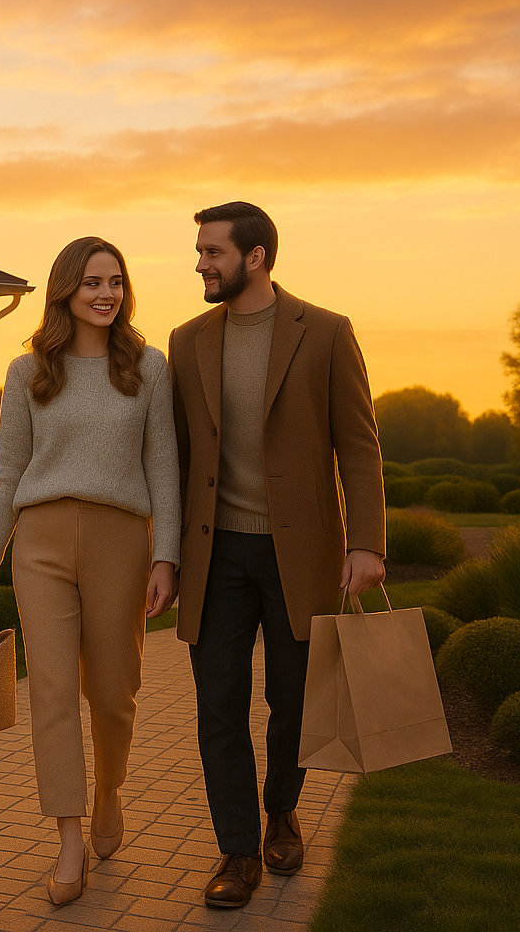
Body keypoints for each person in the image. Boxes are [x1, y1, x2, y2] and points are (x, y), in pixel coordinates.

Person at [168, 201, 385, 909]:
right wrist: (165, 554)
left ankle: (282, 812)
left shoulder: (325, 332)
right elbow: (175, 458)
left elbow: (359, 447)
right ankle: (237, 851)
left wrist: (365, 543)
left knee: (292, 700)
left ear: (255, 257)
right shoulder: (186, 340)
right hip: (215, 554)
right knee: (219, 707)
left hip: (301, 554)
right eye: (201, 251)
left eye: (213, 252)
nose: (201, 264)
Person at [0, 236, 180, 906]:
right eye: (92, 282)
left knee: (114, 693)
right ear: (66, 290)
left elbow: (164, 468)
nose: (106, 294)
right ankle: (67, 839)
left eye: (115, 282)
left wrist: (166, 555)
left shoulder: (148, 367)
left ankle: (109, 790)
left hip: (121, 541)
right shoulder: (29, 372)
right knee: (52, 691)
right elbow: (8, 470)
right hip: (42, 543)